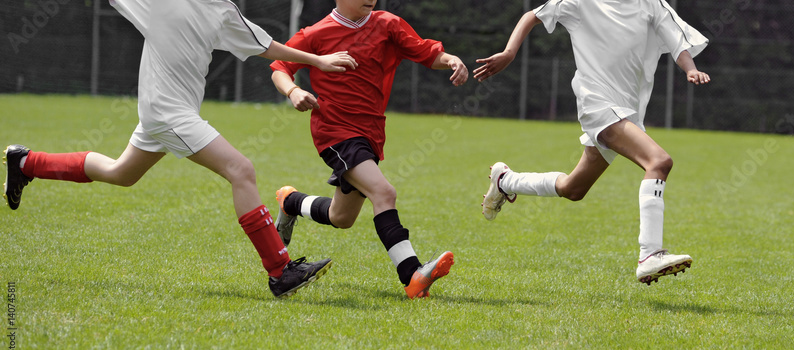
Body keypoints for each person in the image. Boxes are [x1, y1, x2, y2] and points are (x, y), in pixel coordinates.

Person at [2, 0, 360, 298]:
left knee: (120, 172)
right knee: (241, 170)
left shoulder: (222, 9)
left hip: (173, 111)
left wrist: (317, 61)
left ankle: (27, 162)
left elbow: (264, 46)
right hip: (166, 111)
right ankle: (280, 271)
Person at [474, 0, 711, 285]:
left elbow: (677, 41)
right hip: (597, 105)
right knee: (659, 162)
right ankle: (650, 254)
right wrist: (509, 52)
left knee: (573, 188)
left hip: (627, 112)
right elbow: (532, 15)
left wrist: (690, 68)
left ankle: (506, 181)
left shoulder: (651, 3)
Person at [268, 0, 468, 299]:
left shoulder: (388, 24)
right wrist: (293, 90)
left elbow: (427, 52)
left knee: (341, 218)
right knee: (384, 192)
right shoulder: (316, 34)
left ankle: (291, 202)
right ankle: (411, 275)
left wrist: (450, 59)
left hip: (371, 134)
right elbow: (279, 67)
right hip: (335, 132)